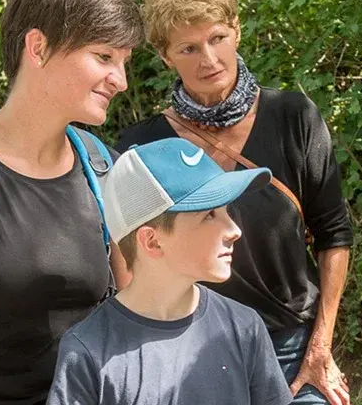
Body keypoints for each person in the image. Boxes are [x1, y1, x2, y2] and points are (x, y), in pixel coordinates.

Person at [115, 0, 352, 405]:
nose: (208, 59)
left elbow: (333, 233)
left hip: (291, 347)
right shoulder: (142, 146)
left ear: (237, 31)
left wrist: (321, 346)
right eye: (188, 47)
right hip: (192, 350)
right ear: (165, 56)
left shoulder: (293, 117)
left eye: (217, 38)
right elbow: (129, 260)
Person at [0, 0, 144, 404]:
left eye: (124, 63)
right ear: (37, 48)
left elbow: (136, 311)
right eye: (104, 57)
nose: (121, 81)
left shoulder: (103, 168)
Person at [46, 137, 292, 405]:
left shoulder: (244, 327)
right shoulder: (88, 353)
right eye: (209, 214)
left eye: (227, 211)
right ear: (152, 241)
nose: (234, 230)